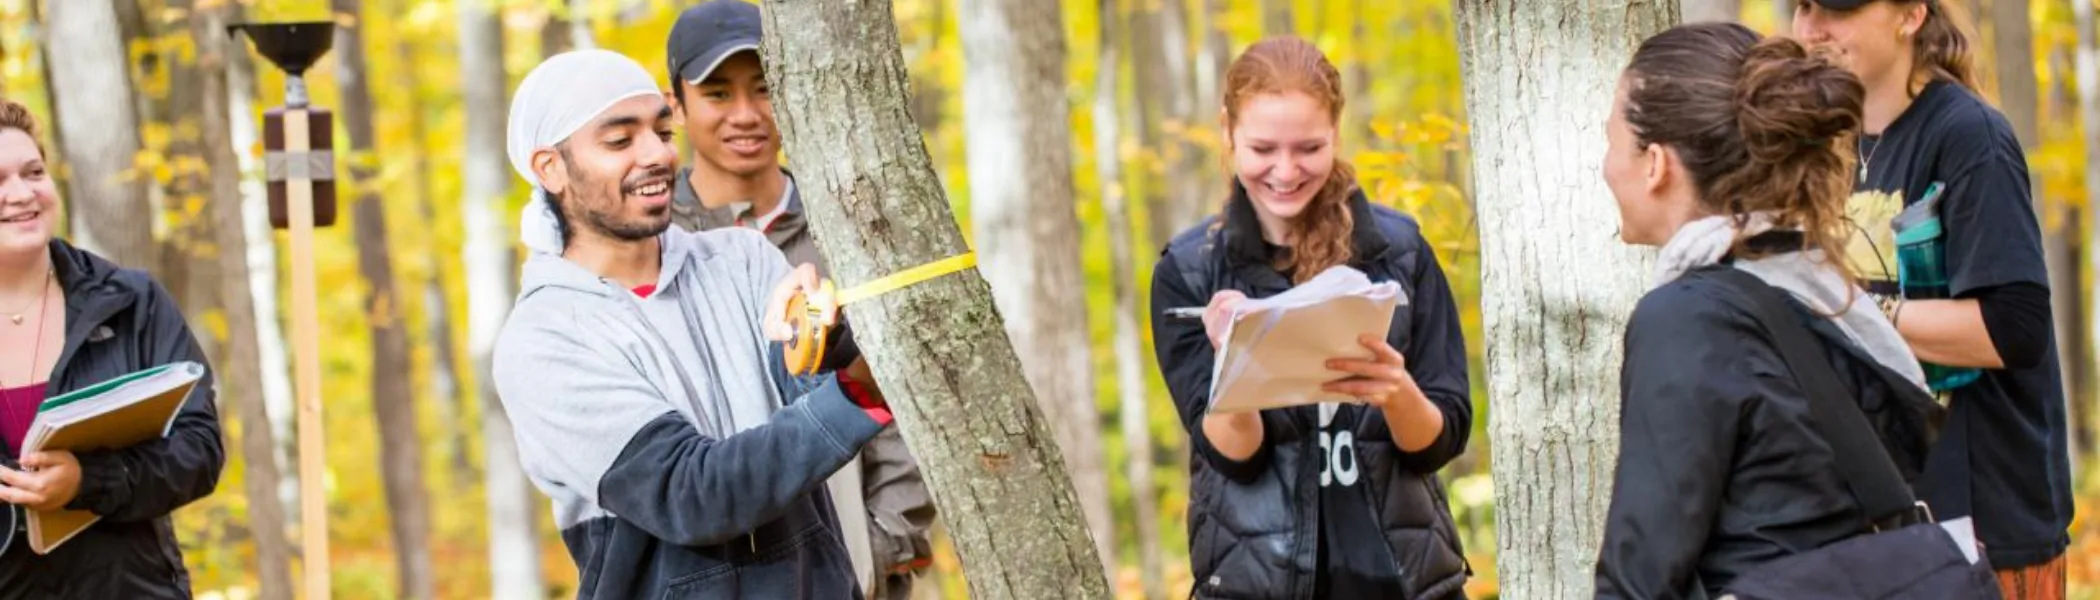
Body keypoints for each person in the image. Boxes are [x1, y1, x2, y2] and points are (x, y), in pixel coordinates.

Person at [494, 49, 892, 599]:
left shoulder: (741, 259)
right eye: (620, 140)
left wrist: (830, 332)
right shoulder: (544, 340)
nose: (656, 153)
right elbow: (692, 494)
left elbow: (810, 391)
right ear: (550, 168)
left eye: (661, 129)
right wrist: (861, 386)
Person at [1591, 23, 1945, 598]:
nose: (1606, 165)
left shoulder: (1688, 319)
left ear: (1655, 164)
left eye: (1610, 140)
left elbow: (1639, 580)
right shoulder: (1827, 295)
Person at [1149, 36, 1472, 599]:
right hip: (1257, 584)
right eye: (1263, 148)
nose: (1285, 170)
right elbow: (1234, 459)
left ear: (1336, 133)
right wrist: (1236, 365)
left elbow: (1441, 441)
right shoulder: (1191, 271)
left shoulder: (1399, 252)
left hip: (1402, 580)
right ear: (1227, 132)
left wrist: (1396, 391)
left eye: (1308, 148)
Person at [1794, 2, 2072, 596]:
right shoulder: (1828, 142)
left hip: (1984, 537)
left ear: (1911, 14)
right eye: (1802, 5)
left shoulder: (1970, 136)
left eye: (1837, 8)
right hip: (1878, 528)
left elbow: (2013, 329)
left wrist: (1855, 310)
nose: (1811, 28)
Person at [660, 4, 937, 597]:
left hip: (859, 568)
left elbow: (910, 384)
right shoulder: (659, 245)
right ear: (677, 105)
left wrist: (888, 539)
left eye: (764, 89)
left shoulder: (854, 223)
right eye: (717, 94)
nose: (746, 115)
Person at [0, 98, 225, 597]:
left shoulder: (130, 301)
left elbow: (200, 449)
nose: (20, 193)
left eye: (32, 172)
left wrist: (88, 480)